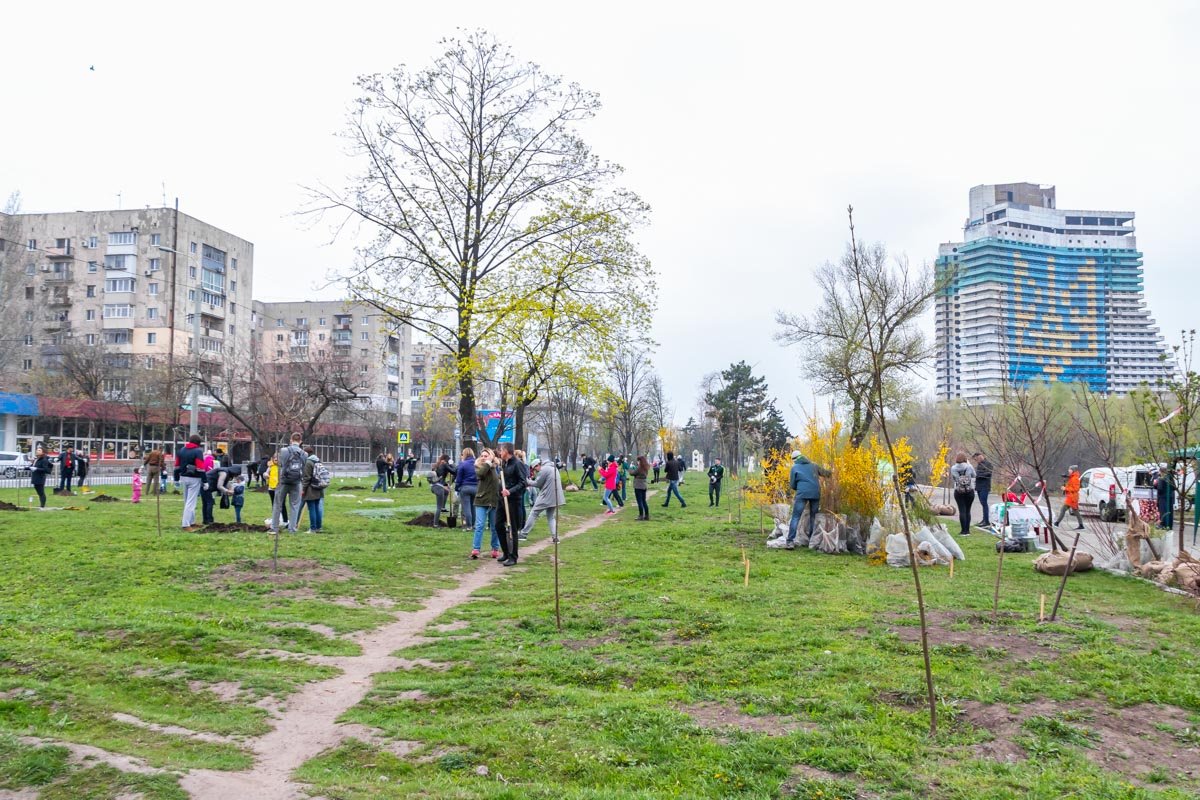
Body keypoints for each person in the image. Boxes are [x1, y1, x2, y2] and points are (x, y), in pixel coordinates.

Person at [785, 450, 832, 549]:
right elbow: (827, 474)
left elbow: (792, 485)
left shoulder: (795, 467)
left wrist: (799, 488)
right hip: (815, 493)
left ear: (794, 460)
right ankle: (812, 540)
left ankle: (790, 541)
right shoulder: (813, 465)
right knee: (813, 517)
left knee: (796, 517)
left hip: (802, 493)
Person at [519, 457, 567, 541]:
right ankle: (555, 537)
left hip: (546, 496)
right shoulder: (553, 467)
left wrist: (526, 481)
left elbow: (537, 484)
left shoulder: (544, 469)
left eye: (535, 469)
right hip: (555, 497)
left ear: (537, 465)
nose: (536, 471)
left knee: (534, 513)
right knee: (550, 517)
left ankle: (523, 534)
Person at [272, 433, 306, 534]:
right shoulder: (304, 454)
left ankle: (275, 528)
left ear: (291, 440)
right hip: (297, 482)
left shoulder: (283, 451)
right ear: (300, 441)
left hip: (283, 481)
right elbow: (303, 469)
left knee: (278, 504)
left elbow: (280, 464)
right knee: (295, 505)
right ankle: (292, 529)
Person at [497, 443, 525, 564]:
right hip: (502, 499)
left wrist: (510, 491)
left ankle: (513, 556)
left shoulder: (518, 464)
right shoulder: (504, 463)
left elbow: (523, 483)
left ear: (506, 451)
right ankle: (506, 552)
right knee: (498, 524)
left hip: (513, 500)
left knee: (513, 528)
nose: (499, 453)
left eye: (501, 450)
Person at [471, 448, 501, 559]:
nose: (483, 457)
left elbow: (497, 482)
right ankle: (476, 549)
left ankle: (495, 548)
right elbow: (481, 474)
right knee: (479, 525)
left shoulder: (496, 468)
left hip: (493, 501)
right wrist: (488, 463)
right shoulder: (479, 467)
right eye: (482, 456)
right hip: (481, 500)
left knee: (494, 526)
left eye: (486, 455)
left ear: (492, 456)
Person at [176, 434, 206, 530]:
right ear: (198, 443)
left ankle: (191, 522)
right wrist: (205, 481)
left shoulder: (181, 450)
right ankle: (185, 524)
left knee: (186, 501)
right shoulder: (198, 451)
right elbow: (201, 468)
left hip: (183, 477)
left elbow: (177, 466)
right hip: (194, 478)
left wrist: (176, 479)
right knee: (191, 503)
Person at [950, 452, 977, 537]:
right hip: (969, 491)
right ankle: (967, 531)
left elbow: (954, 478)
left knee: (962, 510)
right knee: (968, 510)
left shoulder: (953, 468)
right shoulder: (969, 466)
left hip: (958, 491)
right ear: (965, 459)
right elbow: (974, 475)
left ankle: (963, 531)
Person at [301, 445, 326, 533]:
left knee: (312, 508)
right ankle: (318, 527)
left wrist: (303, 489)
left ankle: (313, 528)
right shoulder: (318, 460)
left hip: (311, 489)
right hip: (319, 487)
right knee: (316, 508)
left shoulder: (308, 462)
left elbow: (307, 477)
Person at [1053, 465, 1086, 530]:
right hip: (1072, 497)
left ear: (1073, 470)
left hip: (1072, 497)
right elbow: (1071, 482)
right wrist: (1066, 477)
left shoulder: (1075, 478)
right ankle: (1081, 525)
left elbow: (1076, 489)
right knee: (1076, 511)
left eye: (1070, 469)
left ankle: (1056, 523)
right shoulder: (1073, 477)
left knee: (1063, 509)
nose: (1068, 470)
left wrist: (1066, 488)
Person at [455, 447, 478, 530]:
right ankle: (474, 524)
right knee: (473, 507)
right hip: (476, 487)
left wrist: (457, 488)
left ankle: (469, 526)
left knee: (466, 508)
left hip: (465, 487)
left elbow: (459, 478)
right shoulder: (477, 463)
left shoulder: (463, 464)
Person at [266, 454, 289, 528]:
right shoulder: (270, 466)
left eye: (277, 458)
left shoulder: (283, 467)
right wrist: (265, 474)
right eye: (274, 458)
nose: (276, 459)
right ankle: (276, 520)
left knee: (282, 504)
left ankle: (285, 521)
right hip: (271, 488)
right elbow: (266, 473)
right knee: (274, 504)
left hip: (281, 488)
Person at [430, 454, 452, 528]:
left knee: (446, 491)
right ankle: (435, 524)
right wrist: (452, 464)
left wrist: (446, 484)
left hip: (434, 486)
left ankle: (443, 507)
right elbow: (454, 471)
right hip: (439, 487)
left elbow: (439, 477)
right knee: (438, 507)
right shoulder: (444, 465)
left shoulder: (436, 465)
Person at [973, 452, 994, 528]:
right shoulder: (979, 465)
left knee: (984, 503)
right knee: (982, 503)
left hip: (985, 486)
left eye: (976, 459)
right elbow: (977, 473)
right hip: (979, 486)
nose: (976, 461)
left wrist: (978, 474)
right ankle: (983, 519)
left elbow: (988, 474)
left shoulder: (988, 464)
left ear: (980, 456)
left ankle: (986, 521)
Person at [1154, 466, 1174, 531]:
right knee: (1169, 511)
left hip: (1162, 498)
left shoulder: (1161, 478)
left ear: (1160, 471)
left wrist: (1155, 485)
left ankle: (1163, 525)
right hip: (1170, 497)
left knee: (1163, 511)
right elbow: (1174, 487)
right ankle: (1170, 526)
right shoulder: (1170, 478)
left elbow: (1160, 489)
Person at [632, 455, 651, 521]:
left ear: (640, 461)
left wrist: (630, 469)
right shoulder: (646, 468)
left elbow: (633, 473)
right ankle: (647, 515)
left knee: (639, 501)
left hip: (638, 486)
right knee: (644, 501)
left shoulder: (639, 468)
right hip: (644, 485)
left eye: (638, 461)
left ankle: (641, 515)